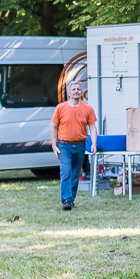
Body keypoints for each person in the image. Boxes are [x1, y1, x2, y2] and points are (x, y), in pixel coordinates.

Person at [50, 81, 97, 211]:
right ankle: (66, 199)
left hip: (80, 145)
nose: (76, 91)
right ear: (69, 93)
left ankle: (71, 199)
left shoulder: (87, 109)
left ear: (81, 93)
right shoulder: (61, 108)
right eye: (74, 89)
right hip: (64, 145)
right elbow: (54, 127)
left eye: (78, 89)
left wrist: (94, 144)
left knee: (75, 173)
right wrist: (54, 145)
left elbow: (92, 128)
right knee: (66, 171)